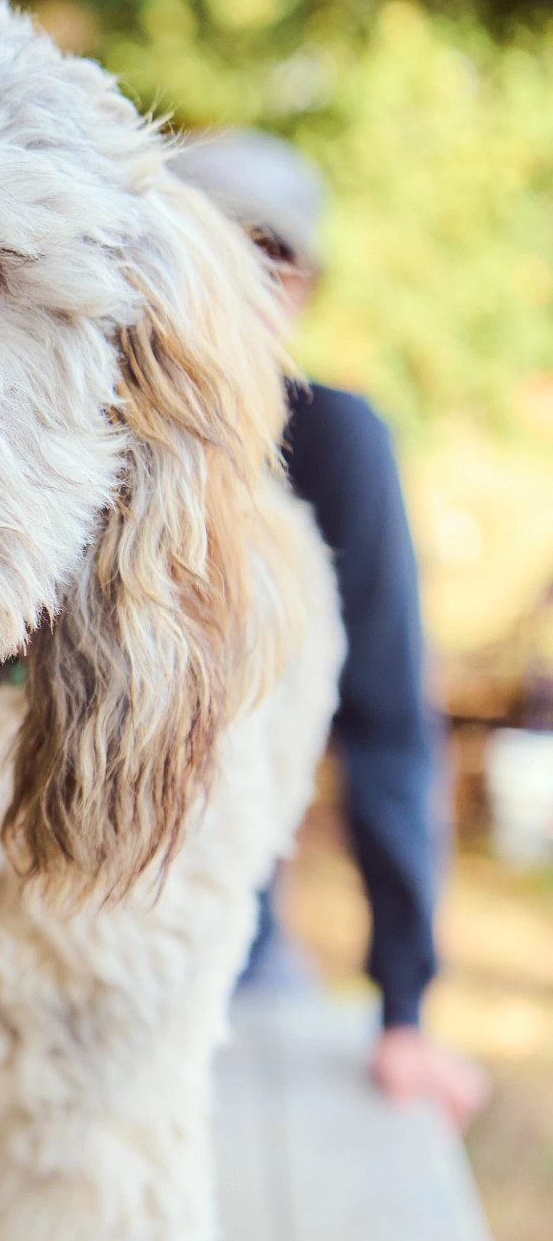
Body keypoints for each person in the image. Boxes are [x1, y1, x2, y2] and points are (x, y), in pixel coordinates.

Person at [171, 130, 491, 1129]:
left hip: (234, 937)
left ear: (303, 286)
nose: (243, 283)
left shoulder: (332, 445)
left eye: (272, 258)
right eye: (214, 245)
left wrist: (403, 1005)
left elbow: (389, 724)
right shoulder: (62, 430)